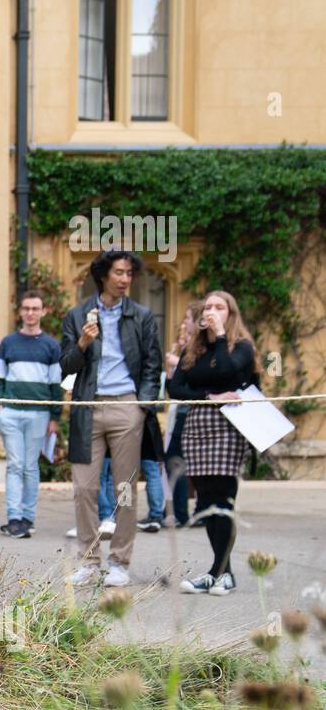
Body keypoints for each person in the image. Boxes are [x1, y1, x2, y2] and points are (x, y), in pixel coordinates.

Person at [62, 249, 163, 588]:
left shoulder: (143, 316)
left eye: (129, 273)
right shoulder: (77, 315)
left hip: (126, 407)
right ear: (103, 275)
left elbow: (152, 364)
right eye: (118, 272)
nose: (124, 279)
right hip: (87, 407)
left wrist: (142, 405)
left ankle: (119, 561)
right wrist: (82, 342)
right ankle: (89, 563)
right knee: (84, 488)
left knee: (125, 490)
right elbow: (66, 365)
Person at [171, 292, 260, 595]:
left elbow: (227, 372)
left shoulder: (243, 347)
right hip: (198, 425)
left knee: (223, 500)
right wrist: (208, 397)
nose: (210, 311)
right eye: (207, 307)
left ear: (230, 313)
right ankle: (221, 572)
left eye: (218, 307)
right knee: (205, 502)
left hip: (229, 426)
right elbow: (176, 388)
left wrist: (221, 336)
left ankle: (220, 572)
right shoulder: (193, 349)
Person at [0, 291, 62, 539]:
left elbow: (56, 385)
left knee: (30, 467)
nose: (30, 313)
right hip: (10, 412)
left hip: (39, 414)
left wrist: (55, 416)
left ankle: (27, 518)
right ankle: (13, 518)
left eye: (35, 308)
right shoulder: (8, 343)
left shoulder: (51, 345)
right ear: (20, 312)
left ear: (43, 312)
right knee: (15, 464)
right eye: (26, 308)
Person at [164, 300, 205, 527]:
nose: (185, 323)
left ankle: (185, 512)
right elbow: (175, 390)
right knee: (176, 461)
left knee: (182, 462)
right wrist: (172, 373)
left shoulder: (203, 351)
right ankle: (181, 511)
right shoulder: (187, 349)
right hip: (181, 412)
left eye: (188, 318)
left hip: (193, 414)